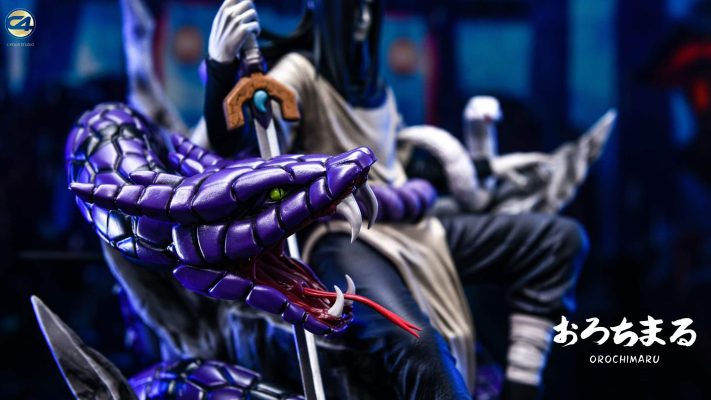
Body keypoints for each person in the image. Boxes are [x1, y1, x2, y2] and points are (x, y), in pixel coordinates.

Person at [203, 1, 588, 399]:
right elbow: (242, 137)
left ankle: (521, 392)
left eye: (370, 7)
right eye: (355, 8)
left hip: (415, 229)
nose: (364, 18)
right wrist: (220, 68)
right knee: (415, 340)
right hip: (347, 234)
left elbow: (397, 159)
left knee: (558, 239)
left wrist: (477, 159)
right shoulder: (301, 72)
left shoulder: (375, 85)